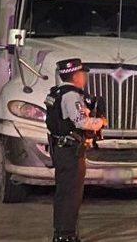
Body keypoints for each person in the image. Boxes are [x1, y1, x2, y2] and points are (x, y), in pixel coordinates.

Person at [44, 58, 106, 242]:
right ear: (76, 75)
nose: (84, 78)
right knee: (71, 194)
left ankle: (61, 232)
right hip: (70, 151)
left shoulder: (56, 93)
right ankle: (67, 235)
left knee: (63, 193)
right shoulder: (71, 95)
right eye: (83, 74)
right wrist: (100, 122)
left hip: (60, 149)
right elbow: (80, 121)